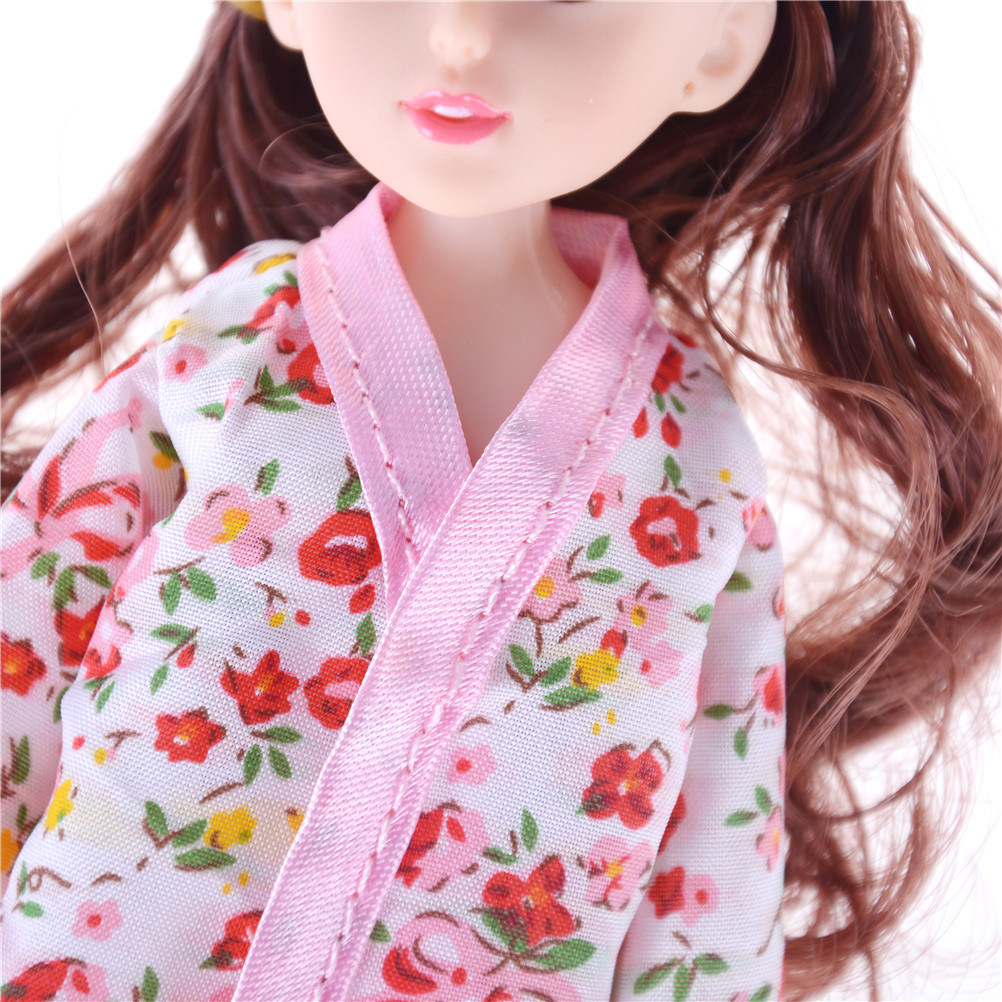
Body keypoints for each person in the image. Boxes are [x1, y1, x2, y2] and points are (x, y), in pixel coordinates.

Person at [1, 3, 998, 1000]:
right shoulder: (229, 346)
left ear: (721, 42)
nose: (463, 32)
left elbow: (714, 866)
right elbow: (30, 623)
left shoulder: (695, 462)